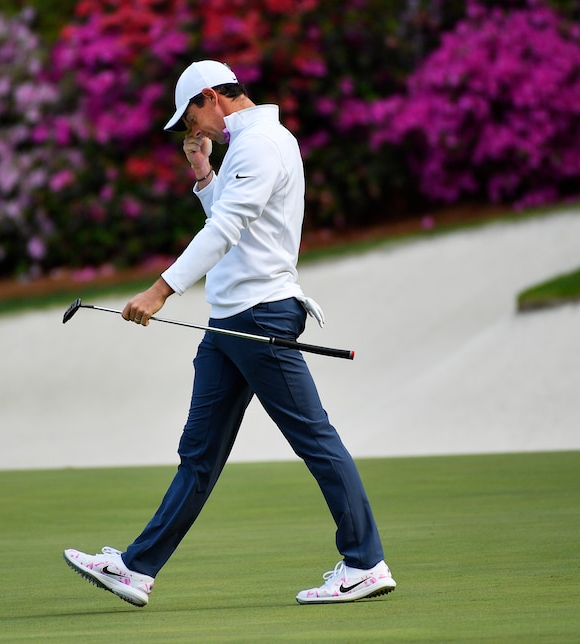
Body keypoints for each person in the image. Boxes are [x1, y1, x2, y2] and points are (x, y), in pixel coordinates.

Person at [64, 60, 394, 607]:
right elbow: (234, 218)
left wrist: (160, 290)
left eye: (192, 118)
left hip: (259, 314)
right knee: (199, 453)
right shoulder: (247, 144)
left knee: (314, 438)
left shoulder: (261, 142)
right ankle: (136, 568)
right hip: (230, 322)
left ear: (212, 97)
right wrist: (203, 176)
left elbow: (226, 229)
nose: (193, 132)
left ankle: (364, 562)